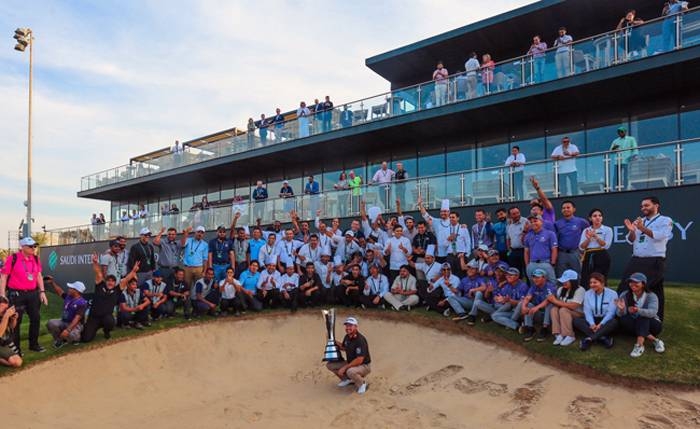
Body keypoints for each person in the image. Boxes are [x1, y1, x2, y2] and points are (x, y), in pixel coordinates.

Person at [619, 196, 673, 321]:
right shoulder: (640, 220)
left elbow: (660, 236)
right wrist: (632, 230)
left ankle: (655, 318)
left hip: (654, 260)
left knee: (651, 288)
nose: (643, 208)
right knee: (625, 286)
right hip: (636, 259)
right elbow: (630, 240)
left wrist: (642, 228)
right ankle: (624, 316)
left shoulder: (665, 220)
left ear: (656, 206)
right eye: (642, 206)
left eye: (646, 205)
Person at [0, 237, 48, 354]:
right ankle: (17, 349)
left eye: (34, 246)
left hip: (32, 293)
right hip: (16, 294)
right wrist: (2, 294)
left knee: (35, 318)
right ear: (23, 247)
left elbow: (38, 276)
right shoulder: (13, 258)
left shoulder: (36, 259)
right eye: (31, 246)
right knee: (16, 321)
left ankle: (34, 344)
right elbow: (4, 276)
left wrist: (42, 292)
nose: (33, 248)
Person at [616, 272, 665, 358]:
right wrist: (621, 309)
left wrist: (638, 310)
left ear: (643, 284)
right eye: (631, 282)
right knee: (623, 319)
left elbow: (652, 312)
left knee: (643, 317)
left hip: (653, 325)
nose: (632, 284)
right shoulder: (625, 294)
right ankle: (655, 340)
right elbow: (619, 314)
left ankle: (639, 345)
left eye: (636, 282)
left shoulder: (651, 296)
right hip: (634, 324)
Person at [573, 272, 619, 351]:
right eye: (590, 283)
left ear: (602, 283)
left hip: (605, 321)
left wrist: (601, 324)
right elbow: (587, 311)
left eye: (595, 282)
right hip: (593, 320)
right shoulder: (587, 294)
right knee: (577, 321)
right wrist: (592, 324)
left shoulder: (613, 294)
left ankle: (589, 339)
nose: (592, 285)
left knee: (614, 322)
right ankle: (602, 338)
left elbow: (611, 312)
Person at [326, 316, 371, 394]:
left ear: (356, 327)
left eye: (350, 325)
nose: (348, 328)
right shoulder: (347, 337)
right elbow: (344, 347)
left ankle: (362, 384)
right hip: (351, 362)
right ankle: (347, 379)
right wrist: (332, 341)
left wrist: (344, 367)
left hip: (364, 366)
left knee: (350, 371)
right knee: (330, 365)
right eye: (347, 325)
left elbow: (359, 359)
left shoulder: (360, 340)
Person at [44, 277, 88, 348]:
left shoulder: (82, 303)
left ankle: (75, 338)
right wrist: (52, 283)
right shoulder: (68, 296)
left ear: (76, 291)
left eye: (71, 288)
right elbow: (60, 291)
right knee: (51, 323)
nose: (69, 289)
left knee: (73, 336)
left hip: (76, 325)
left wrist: (68, 330)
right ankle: (60, 340)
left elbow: (77, 318)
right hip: (64, 321)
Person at [579, 208, 613, 289]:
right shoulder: (586, 230)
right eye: (594, 216)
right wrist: (588, 239)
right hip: (588, 255)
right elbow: (581, 247)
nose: (598, 217)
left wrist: (596, 237)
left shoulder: (607, 229)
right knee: (586, 279)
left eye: (600, 216)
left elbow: (606, 245)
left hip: (601, 255)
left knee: (599, 278)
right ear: (590, 218)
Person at [519, 269, 557, 342]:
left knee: (549, 304)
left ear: (544, 278)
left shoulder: (550, 286)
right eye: (534, 277)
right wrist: (523, 306)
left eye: (538, 277)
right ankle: (530, 328)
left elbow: (548, 300)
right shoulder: (534, 286)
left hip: (550, 315)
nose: (535, 279)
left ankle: (544, 328)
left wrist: (537, 307)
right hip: (538, 313)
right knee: (528, 304)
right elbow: (527, 298)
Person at [554, 200, 589, 276]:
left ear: (574, 209)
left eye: (568, 207)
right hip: (561, 254)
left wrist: (583, 252)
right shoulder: (557, 223)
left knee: (577, 275)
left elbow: (588, 236)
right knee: (561, 275)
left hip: (576, 253)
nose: (566, 209)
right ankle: (562, 288)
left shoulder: (581, 222)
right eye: (563, 208)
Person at [523, 214, 558, 282]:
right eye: (531, 222)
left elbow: (554, 249)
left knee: (552, 283)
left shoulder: (550, 234)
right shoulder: (527, 236)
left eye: (535, 221)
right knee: (534, 284)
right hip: (532, 263)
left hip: (545, 263)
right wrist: (527, 265)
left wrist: (553, 263)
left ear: (541, 222)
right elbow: (526, 251)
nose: (533, 223)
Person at [609, 126, 639, 190]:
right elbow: (611, 150)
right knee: (616, 176)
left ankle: (625, 188)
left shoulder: (631, 139)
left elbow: (634, 147)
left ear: (625, 132)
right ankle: (614, 189)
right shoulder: (615, 141)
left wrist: (635, 155)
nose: (620, 133)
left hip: (627, 159)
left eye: (622, 131)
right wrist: (614, 148)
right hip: (618, 161)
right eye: (619, 132)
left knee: (626, 175)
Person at [506, 207, 528, 276]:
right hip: (513, 251)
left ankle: (529, 286)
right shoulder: (509, 225)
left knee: (527, 271)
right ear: (510, 216)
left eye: (518, 213)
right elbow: (508, 238)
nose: (517, 215)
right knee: (515, 273)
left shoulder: (526, 222)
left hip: (524, 251)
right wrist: (509, 250)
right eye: (514, 214)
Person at [0, 296, 21, 367]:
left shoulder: (3, 314)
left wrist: (13, 319)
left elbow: (12, 327)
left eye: (6, 307)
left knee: (17, 362)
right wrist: (6, 316)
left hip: (4, 343)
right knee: (15, 362)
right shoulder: (5, 315)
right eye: (2, 307)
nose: (5, 310)